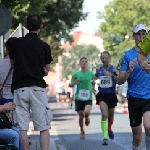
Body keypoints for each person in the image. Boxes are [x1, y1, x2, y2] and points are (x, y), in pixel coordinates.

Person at [9, 14, 53, 150]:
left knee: (22, 127)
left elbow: (13, 64)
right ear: (41, 26)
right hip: (38, 88)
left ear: (26, 26)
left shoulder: (16, 44)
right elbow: (47, 70)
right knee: (43, 126)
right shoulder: (44, 46)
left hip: (20, 88)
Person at [117, 24, 150, 150]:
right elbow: (119, 81)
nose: (141, 37)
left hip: (149, 96)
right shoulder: (126, 55)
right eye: (138, 34)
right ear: (133, 36)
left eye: (144, 34)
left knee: (148, 127)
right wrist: (128, 71)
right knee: (137, 137)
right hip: (134, 98)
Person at [94, 51, 118, 145]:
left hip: (111, 95)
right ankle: (104, 137)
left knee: (111, 116)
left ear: (109, 58)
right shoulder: (98, 69)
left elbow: (119, 78)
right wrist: (93, 84)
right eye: (102, 58)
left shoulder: (114, 68)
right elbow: (95, 78)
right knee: (105, 115)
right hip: (102, 95)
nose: (104, 60)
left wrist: (111, 75)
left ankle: (109, 129)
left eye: (106, 58)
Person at [69, 57, 94, 139]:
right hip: (79, 97)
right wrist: (74, 83)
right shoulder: (76, 74)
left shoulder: (91, 74)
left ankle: (87, 117)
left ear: (87, 63)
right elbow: (70, 85)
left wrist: (93, 84)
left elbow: (93, 83)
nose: (84, 63)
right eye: (82, 62)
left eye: (86, 62)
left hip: (88, 97)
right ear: (80, 63)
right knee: (80, 116)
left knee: (86, 111)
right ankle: (82, 131)